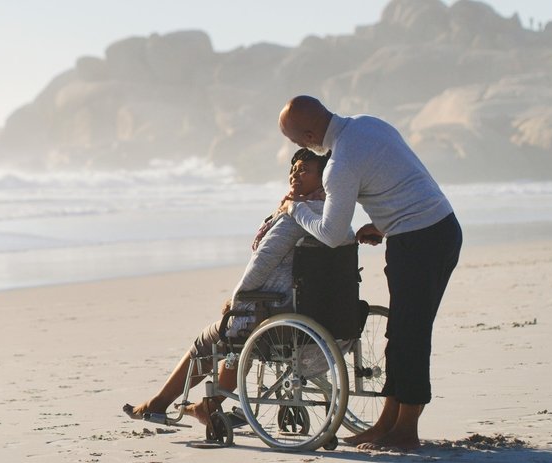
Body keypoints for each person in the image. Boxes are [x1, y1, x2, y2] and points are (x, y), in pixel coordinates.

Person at [278, 95, 463, 451]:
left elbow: (331, 235)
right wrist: (380, 223)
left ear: (311, 131)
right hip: (438, 228)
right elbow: (399, 178)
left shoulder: (340, 163)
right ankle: (386, 424)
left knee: (411, 332)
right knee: (401, 330)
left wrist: (296, 209)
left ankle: (406, 431)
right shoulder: (368, 123)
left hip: (419, 240)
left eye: (297, 140)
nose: (299, 147)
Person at [122, 148, 354, 430]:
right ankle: (207, 407)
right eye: (293, 169)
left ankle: (159, 403)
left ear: (324, 177)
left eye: (304, 170)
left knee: (212, 340)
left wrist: (236, 299)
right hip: (327, 316)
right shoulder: (337, 219)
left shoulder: (294, 216)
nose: (295, 174)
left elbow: (262, 263)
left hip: (278, 311)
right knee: (235, 339)